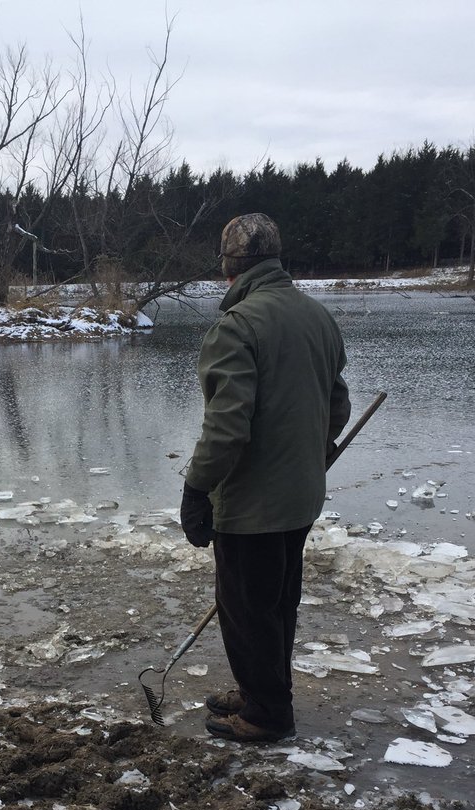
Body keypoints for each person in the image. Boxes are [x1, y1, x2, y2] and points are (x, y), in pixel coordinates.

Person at [180, 213, 350, 743]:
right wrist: (313, 452)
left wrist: (196, 488)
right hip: (300, 497)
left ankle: (267, 715)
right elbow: (336, 405)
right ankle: (263, 691)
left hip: (252, 504)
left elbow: (227, 427)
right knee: (277, 603)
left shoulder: (237, 326)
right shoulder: (316, 316)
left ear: (229, 268)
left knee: (247, 610)